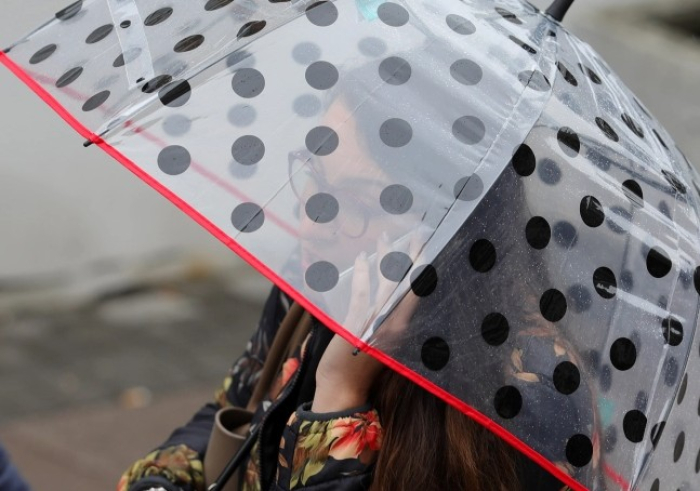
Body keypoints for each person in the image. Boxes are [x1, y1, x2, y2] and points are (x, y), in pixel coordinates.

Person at [119, 39, 592, 491]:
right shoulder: (319, 280)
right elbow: (238, 404)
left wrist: (339, 391)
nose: (313, 220)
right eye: (315, 174)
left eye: (358, 203)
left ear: (448, 231)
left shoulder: (532, 391)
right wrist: (159, 482)